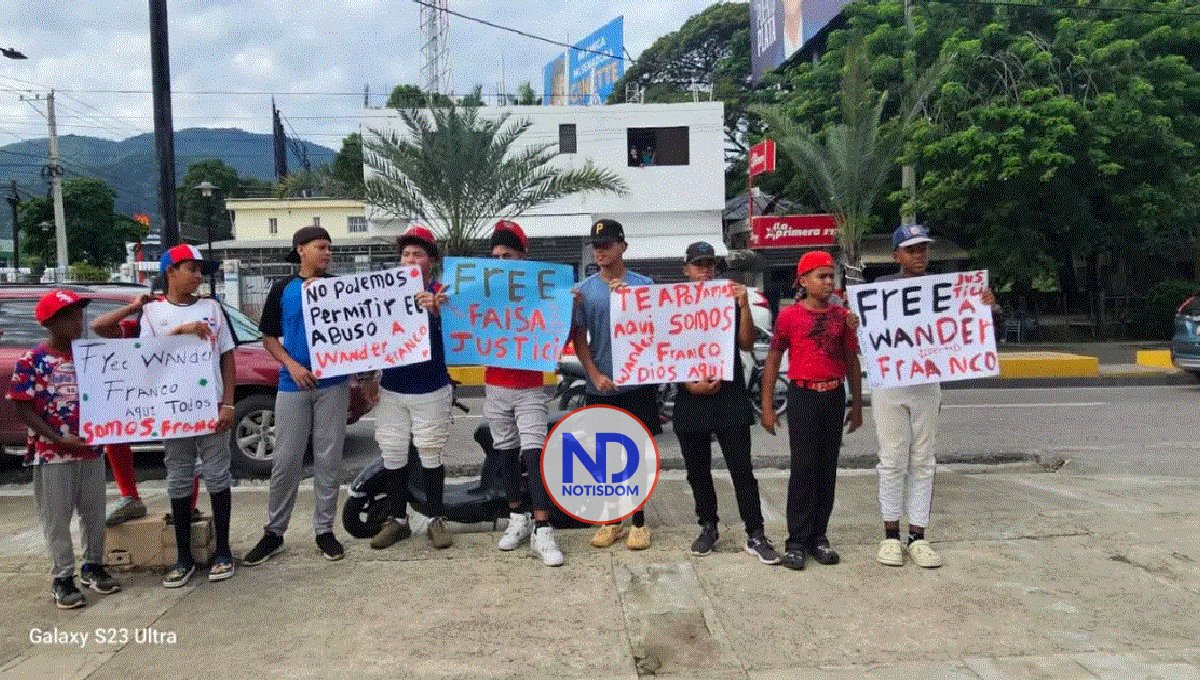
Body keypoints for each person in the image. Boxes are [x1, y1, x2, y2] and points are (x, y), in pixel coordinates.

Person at [871, 224, 999, 569]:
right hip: (890, 384)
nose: (919, 255)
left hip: (927, 384)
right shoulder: (881, 289)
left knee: (923, 459)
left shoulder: (950, 289)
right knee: (893, 459)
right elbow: (867, 332)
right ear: (896, 255)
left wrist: (986, 305)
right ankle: (890, 536)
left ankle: (918, 536)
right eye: (911, 250)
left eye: (923, 249)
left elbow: (973, 329)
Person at [7, 290, 121, 608]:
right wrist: (56, 438)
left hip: (90, 450)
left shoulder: (90, 356)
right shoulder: (33, 361)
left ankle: (93, 565)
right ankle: (62, 577)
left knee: (95, 513)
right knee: (57, 517)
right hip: (52, 454)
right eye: (69, 316)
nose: (78, 321)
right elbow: (21, 406)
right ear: (50, 322)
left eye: (79, 315)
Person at [245, 226, 351, 564]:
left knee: (329, 459)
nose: (328, 253)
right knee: (286, 460)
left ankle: (324, 531)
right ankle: (274, 532)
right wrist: (291, 365)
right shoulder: (282, 289)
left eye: (330, 248)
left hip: (333, 383)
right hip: (293, 384)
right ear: (301, 250)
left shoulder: (339, 288)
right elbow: (269, 338)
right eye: (321, 247)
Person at [133, 244, 238, 586]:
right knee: (178, 477)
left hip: (209, 406)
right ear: (171, 272)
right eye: (190, 268)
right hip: (173, 409)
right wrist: (178, 333)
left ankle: (223, 550)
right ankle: (182, 556)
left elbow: (227, 357)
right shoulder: (152, 314)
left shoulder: (213, 308)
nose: (197, 275)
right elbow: (145, 358)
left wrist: (228, 402)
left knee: (218, 475)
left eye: (199, 269)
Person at [673, 242, 782, 565]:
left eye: (710, 264)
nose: (705, 270)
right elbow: (663, 350)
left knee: (741, 469)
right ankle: (708, 526)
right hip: (689, 396)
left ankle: (756, 532)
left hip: (729, 394)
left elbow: (746, 344)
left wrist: (745, 305)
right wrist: (688, 383)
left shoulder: (729, 300)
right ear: (687, 269)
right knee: (697, 470)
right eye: (698, 264)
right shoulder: (674, 305)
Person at [761, 250, 863, 571]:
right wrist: (767, 405)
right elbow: (774, 360)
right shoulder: (789, 317)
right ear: (804, 281)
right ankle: (796, 541)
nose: (829, 281)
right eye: (822, 276)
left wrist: (856, 403)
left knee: (826, 469)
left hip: (833, 396)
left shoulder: (841, 317)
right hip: (803, 396)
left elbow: (851, 361)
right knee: (803, 468)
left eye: (832, 275)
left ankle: (820, 536)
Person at [571, 218, 661, 550]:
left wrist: (632, 303)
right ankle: (611, 520)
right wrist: (594, 375)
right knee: (605, 457)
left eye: (608, 244)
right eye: (597, 246)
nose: (601, 251)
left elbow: (658, 331)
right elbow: (580, 338)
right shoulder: (584, 290)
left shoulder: (644, 284)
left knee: (637, 454)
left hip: (637, 385)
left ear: (623, 246)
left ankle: (638, 522)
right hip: (601, 383)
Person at [366, 224, 456, 551]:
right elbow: (365, 337)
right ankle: (397, 520)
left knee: (430, 451)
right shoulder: (383, 293)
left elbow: (464, 338)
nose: (410, 258)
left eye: (417, 253)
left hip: (431, 386)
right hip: (392, 386)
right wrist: (366, 379)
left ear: (430, 259)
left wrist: (438, 312)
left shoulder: (445, 292)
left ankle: (435, 518)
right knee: (392, 452)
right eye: (405, 253)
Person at [483, 220, 564, 567]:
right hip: (495, 384)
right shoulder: (480, 287)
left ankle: (543, 528)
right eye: (496, 256)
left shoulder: (542, 290)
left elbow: (562, 326)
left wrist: (567, 300)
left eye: (508, 254)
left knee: (534, 455)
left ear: (523, 256)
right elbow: (455, 311)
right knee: (504, 453)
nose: (502, 261)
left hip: (529, 386)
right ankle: (518, 517)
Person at [91, 293, 203, 527]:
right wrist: (134, 306)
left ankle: (187, 506)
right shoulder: (134, 327)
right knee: (114, 431)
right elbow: (99, 326)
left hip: (173, 396)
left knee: (183, 447)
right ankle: (130, 496)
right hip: (140, 397)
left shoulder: (188, 324)